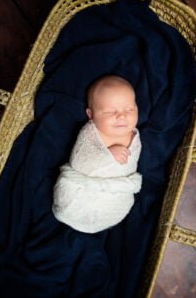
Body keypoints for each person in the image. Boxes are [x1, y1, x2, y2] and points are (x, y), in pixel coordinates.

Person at [52, 75, 142, 233]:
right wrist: (107, 155)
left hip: (116, 195)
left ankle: (107, 214)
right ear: (91, 115)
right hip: (82, 190)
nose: (122, 116)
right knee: (69, 196)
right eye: (109, 112)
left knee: (120, 204)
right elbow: (80, 160)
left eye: (130, 109)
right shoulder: (90, 134)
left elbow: (132, 163)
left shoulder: (135, 135)